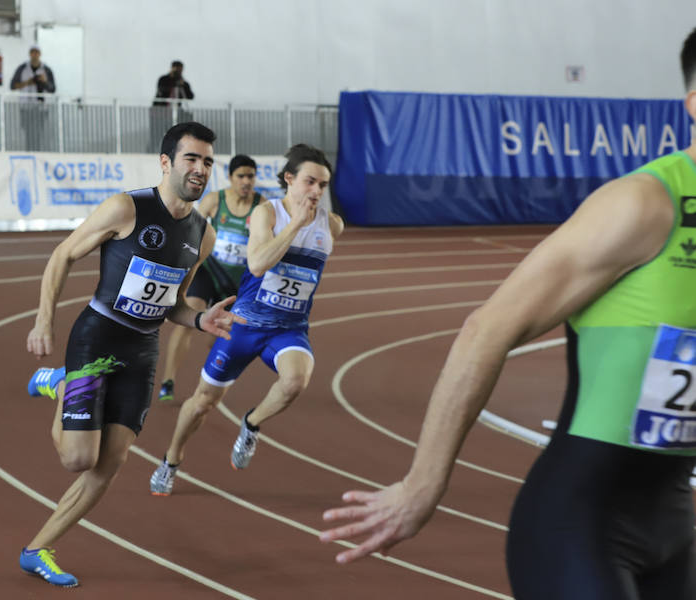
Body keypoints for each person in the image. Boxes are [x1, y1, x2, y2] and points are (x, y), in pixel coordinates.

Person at [319, 29, 696, 600]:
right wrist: (423, 484)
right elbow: (486, 329)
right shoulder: (643, 205)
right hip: (581, 526)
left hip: (675, 525)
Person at [19, 122, 244, 587]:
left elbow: (175, 303)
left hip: (142, 350)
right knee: (78, 459)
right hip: (98, 340)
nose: (200, 168)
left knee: (112, 461)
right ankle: (61, 380)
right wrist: (44, 321)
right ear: (166, 162)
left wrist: (200, 320)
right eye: (191, 159)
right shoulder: (127, 208)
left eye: (207, 161)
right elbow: (62, 255)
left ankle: (37, 549)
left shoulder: (203, 235)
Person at [149, 144, 345, 496]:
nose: (317, 191)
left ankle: (252, 424)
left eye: (323, 185)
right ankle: (171, 459)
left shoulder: (332, 225)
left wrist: (308, 223)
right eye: (310, 182)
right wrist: (296, 224)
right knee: (203, 404)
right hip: (244, 326)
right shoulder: (267, 214)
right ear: (289, 179)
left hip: (288, 330)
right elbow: (256, 264)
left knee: (296, 381)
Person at [157, 154, 267, 404]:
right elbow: (189, 225)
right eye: (241, 176)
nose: (247, 181)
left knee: (217, 334)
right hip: (210, 270)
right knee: (190, 314)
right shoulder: (215, 200)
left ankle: (209, 381)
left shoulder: (262, 206)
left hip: (238, 280)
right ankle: (168, 381)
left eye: (251, 176)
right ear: (230, 178)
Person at [10, 45, 56, 151]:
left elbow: (52, 89)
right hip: (26, 107)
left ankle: (38, 153)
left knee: (39, 132)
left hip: (41, 107)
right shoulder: (22, 68)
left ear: (40, 54)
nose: (35, 55)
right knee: (28, 132)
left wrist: (44, 81)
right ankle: (29, 153)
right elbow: (13, 86)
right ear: (30, 54)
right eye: (32, 52)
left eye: (37, 52)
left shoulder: (46, 70)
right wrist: (28, 82)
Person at [149, 60, 194, 153]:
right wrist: (172, 79)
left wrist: (183, 84)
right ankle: (152, 151)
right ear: (172, 68)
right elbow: (161, 90)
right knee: (156, 135)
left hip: (175, 113)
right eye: (177, 70)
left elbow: (190, 96)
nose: (179, 72)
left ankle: (174, 152)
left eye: (180, 70)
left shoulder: (183, 83)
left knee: (175, 134)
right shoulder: (164, 79)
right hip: (160, 112)